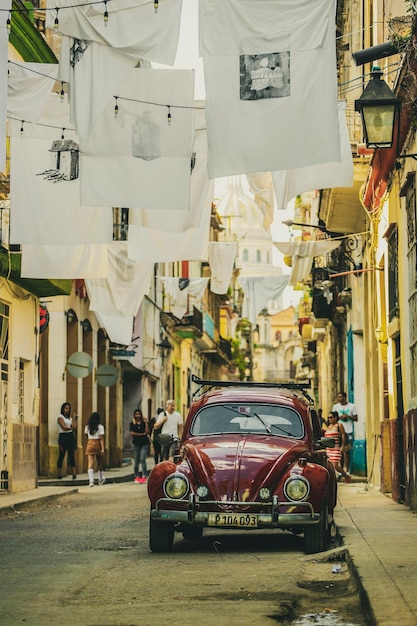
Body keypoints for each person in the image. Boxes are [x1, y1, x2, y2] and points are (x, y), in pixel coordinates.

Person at [332, 391, 358, 473]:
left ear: (345, 397)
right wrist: (340, 417)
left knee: (347, 451)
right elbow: (333, 418)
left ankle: (347, 470)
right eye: (338, 397)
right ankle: (341, 469)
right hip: (338, 432)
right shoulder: (336, 407)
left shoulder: (352, 406)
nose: (339, 399)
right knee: (340, 451)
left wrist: (348, 416)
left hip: (348, 431)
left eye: (341, 397)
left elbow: (356, 418)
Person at [324, 411, 351, 483]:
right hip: (329, 449)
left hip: (335, 448)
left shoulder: (339, 425)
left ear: (335, 418)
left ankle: (346, 475)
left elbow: (343, 435)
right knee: (329, 466)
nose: (329, 419)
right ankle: (331, 480)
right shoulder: (329, 427)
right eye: (328, 417)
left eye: (331, 417)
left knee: (335, 465)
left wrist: (342, 446)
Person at [57, 402, 77, 480]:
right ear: (63, 409)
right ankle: (59, 473)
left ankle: (74, 473)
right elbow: (64, 427)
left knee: (71, 455)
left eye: (68, 408)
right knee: (62, 455)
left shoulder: (70, 418)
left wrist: (75, 420)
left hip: (70, 436)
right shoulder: (60, 417)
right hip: (63, 437)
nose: (67, 410)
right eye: (66, 408)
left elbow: (74, 427)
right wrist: (71, 428)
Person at [84, 412, 105, 487]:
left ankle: (91, 481)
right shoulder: (100, 427)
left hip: (90, 443)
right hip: (97, 444)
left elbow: (86, 434)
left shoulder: (87, 427)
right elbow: (101, 438)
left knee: (90, 463)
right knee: (100, 462)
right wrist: (102, 448)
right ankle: (100, 478)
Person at [130, 408, 149, 484]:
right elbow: (132, 433)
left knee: (142, 459)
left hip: (144, 443)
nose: (137, 415)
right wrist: (141, 434)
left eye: (139, 414)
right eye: (136, 414)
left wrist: (146, 423)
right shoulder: (132, 423)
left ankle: (144, 476)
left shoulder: (144, 423)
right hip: (136, 444)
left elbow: (147, 432)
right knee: (136, 461)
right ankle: (136, 476)